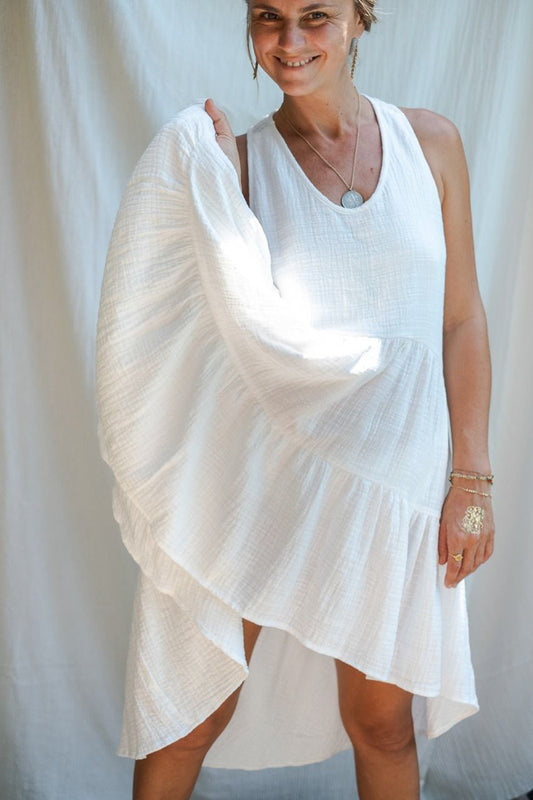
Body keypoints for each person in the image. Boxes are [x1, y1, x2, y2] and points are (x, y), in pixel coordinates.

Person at [96, 1, 495, 799]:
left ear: (358, 18)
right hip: (267, 469)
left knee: (382, 722)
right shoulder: (236, 165)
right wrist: (193, 173)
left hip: (392, 478)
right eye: (266, 18)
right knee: (191, 712)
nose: (288, 42)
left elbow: (458, 318)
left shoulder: (432, 144)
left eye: (315, 16)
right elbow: (198, 330)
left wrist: (470, 479)